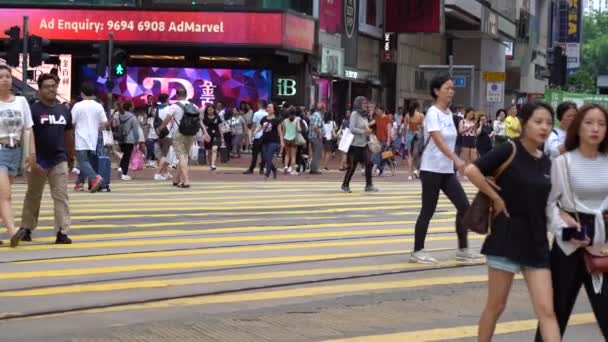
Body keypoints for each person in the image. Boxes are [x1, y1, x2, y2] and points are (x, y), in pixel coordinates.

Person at [464, 102, 560, 342]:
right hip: (506, 238)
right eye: (538, 122)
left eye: (549, 123)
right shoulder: (509, 149)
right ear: (524, 123)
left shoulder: (548, 163)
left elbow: (552, 202)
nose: (544, 127)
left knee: (547, 311)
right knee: (496, 307)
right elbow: (471, 171)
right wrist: (495, 197)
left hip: (537, 242)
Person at [536, 104, 608, 341]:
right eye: (589, 123)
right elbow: (549, 206)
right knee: (556, 312)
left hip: (603, 244)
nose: (595, 129)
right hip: (568, 244)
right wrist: (568, 233)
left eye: (601, 123)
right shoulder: (563, 162)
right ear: (578, 127)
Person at [410, 75, 481, 264]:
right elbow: (438, 140)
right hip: (431, 169)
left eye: (452, 88)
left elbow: (453, 137)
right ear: (436, 91)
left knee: (465, 207)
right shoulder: (432, 113)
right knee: (428, 209)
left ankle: (463, 248)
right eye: (448, 88)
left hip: (447, 171)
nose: (452, 91)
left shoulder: (449, 114)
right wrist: (457, 159)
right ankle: (418, 251)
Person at [17, 73, 74, 244]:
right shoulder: (32, 110)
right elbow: (27, 134)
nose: (51, 89)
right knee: (33, 195)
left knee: (61, 196)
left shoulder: (64, 110)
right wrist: (29, 158)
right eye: (47, 86)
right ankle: (26, 228)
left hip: (59, 159)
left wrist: (71, 155)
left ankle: (62, 231)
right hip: (37, 160)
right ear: (39, 90)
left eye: (53, 86)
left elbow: (68, 134)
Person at [0, 64, 35, 247]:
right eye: (1, 77)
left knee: (3, 195)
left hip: (16, 152)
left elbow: (28, 127)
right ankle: (13, 231)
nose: (5, 79)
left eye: (8, 76)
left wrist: (31, 152)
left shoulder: (21, 101)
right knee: (5, 196)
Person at [157, 88, 204, 188]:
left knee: (182, 156)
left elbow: (167, 119)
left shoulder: (174, 106)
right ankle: (176, 179)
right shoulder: (194, 105)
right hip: (191, 133)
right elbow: (199, 121)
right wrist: (205, 132)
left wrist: (161, 127)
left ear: (177, 95)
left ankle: (186, 180)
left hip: (178, 133)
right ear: (186, 95)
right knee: (185, 156)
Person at [71, 82, 107, 192]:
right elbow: (105, 122)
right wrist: (97, 129)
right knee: (86, 161)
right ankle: (79, 183)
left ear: (82, 93)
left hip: (81, 137)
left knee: (82, 161)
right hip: (93, 139)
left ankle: (95, 178)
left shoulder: (78, 106)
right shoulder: (98, 106)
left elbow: (71, 121)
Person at [341, 96, 377, 193]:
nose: (366, 105)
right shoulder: (354, 114)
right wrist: (364, 131)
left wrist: (369, 130)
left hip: (364, 144)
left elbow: (366, 126)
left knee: (369, 163)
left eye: (366, 103)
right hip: (354, 145)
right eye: (364, 103)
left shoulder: (365, 115)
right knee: (352, 166)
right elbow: (352, 128)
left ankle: (369, 185)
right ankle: (345, 185)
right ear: (358, 104)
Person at [258, 102, 283, 180]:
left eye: (270, 107)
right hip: (264, 140)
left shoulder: (277, 119)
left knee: (269, 157)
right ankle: (274, 169)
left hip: (274, 141)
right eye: (267, 107)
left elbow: (280, 131)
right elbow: (261, 127)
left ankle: (267, 174)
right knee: (265, 158)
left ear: (274, 110)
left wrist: (282, 142)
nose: (268, 108)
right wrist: (255, 132)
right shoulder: (264, 118)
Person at [117, 101, 139, 181]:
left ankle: (121, 168)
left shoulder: (120, 115)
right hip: (129, 139)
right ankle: (124, 174)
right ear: (130, 108)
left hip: (121, 138)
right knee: (127, 156)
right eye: (133, 106)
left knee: (125, 155)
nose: (134, 107)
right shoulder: (133, 117)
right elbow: (135, 130)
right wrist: (137, 140)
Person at [244, 100, 267, 174]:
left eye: (258, 104)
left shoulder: (256, 114)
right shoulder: (267, 114)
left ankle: (251, 168)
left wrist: (252, 135)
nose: (257, 105)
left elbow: (254, 125)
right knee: (264, 153)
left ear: (260, 104)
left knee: (255, 154)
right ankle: (262, 168)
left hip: (257, 135)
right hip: (265, 135)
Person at [152, 94, 172, 181]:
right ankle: (158, 173)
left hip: (159, 133)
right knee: (164, 155)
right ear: (167, 99)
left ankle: (165, 173)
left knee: (163, 154)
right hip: (168, 133)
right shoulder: (169, 108)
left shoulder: (157, 109)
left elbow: (154, 121)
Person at [405, 102, 424, 180]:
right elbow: (423, 126)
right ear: (417, 107)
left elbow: (405, 127)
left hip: (409, 135)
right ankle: (416, 170)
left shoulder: (407, 115)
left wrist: (404, 136)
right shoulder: (421, 115)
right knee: (419, 154)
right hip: (418, 134)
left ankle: (410, 175)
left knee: (410, 156)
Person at [372, 106, 392, 176]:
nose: (376, 112)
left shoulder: (387, 119)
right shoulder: (377, 118)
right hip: (377, 140)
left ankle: (375, 170)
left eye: (378, 110)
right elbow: (371, 123)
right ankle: (380, 170)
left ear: (382, 110)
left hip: (385, 140)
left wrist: (388, 140)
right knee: (379, 155)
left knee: (382, 155)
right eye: (376, 110)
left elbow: (389, 130)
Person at [202, 104, 223, 170]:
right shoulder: (205, 118)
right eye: (208, 110)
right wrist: (203, 136)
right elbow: (203, 128)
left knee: (214, 149)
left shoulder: (217, 117)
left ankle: (213, 164)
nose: (210, 111)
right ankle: (210, 163)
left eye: (211, 109)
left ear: (214, 110)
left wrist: (222, 137)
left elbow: (220, 127)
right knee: (209, 151)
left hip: (216, 134)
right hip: (208, 135)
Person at [282, 106, 301, 175]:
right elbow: (299, 129)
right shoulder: (296, 120)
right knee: (293, 156)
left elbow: (284, 131)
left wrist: (283, 139)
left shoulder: (284, 121)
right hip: (293, 139)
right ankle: (293, 170)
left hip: (286, 139)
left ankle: (286, 167)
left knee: (287, 154)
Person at [309, 102, 325, 175]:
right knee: (317, 153)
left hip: (312, 136)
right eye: (324, 108)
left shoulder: (314, 115)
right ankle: (315, 169)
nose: (325, 110)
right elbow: (316, 127)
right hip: (316, 137)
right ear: (322, 109)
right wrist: (320, 136)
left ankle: (312, 168)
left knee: (315, 152)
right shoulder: (318, 116)